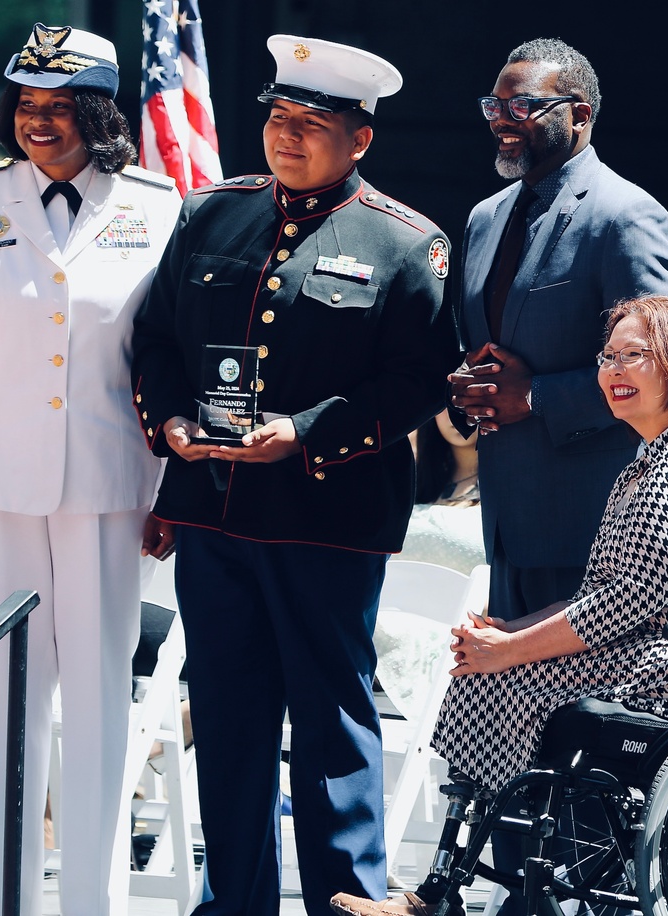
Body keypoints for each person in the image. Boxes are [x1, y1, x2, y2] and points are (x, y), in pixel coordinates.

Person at [130, 34, 458, 916]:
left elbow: (419, 381)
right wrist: (167, 425)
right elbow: (156, 339)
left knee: (329, 725)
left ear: (360, 140)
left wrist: (306, 435)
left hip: (326, 518)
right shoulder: (211, 213)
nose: (288, 137)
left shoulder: (405, 244)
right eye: (279, 119)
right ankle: (230, 903)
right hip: (213, 512)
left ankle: (344, 903)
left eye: (311, 124)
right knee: (229, 725)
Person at [330, 295, 668, 916]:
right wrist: (505, 632)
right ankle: (461, 889)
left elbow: (630, 599)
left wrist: (511, 648)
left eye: (635, 356)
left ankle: (456, 893)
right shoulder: (654, 457)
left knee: (499, 680)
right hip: (665, 650)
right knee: (482, 672)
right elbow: (613, 594)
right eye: (608, 356)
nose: (614, 370)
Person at [0, 22, 182, 916]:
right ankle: (6, 902)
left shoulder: (156, 204)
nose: (40, 122)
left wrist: (168, 491)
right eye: (27, 104)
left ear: (98, 114)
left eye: (60, 107)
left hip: (113, 486)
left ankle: (92, 905)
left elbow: (169, 362)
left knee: (103, 702)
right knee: (14, 701)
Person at [448, 37, 668, 627]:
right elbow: (483, 342)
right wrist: (466, 386)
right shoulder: (485, 217)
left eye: (522, 107)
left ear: (579, 115)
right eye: (493, 107)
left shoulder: (626, 215)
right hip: (506, 516)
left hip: (595, 522)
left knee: (584, 716)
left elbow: (666, 365)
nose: (502, 122)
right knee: (516, 710)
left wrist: (535, 396)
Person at [398, 411, 484, 574]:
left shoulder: (511, 487)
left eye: (468, 396)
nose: (457, 410)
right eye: (447, 401)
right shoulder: (409, 480)